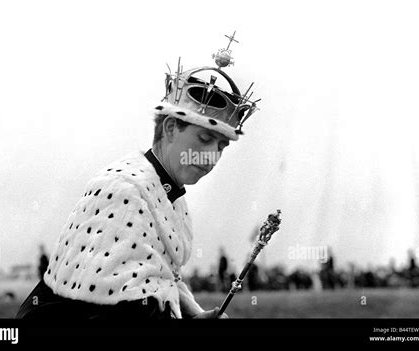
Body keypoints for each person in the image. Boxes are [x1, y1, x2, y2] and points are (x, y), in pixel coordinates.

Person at [16, 32, 259, 320]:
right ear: (170, 129)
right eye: (205, 138)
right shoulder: (124, 188)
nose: (213, 156)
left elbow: (159, 280)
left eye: (221, 146)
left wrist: (192, 313)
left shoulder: (170, 195)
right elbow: (118, 312)